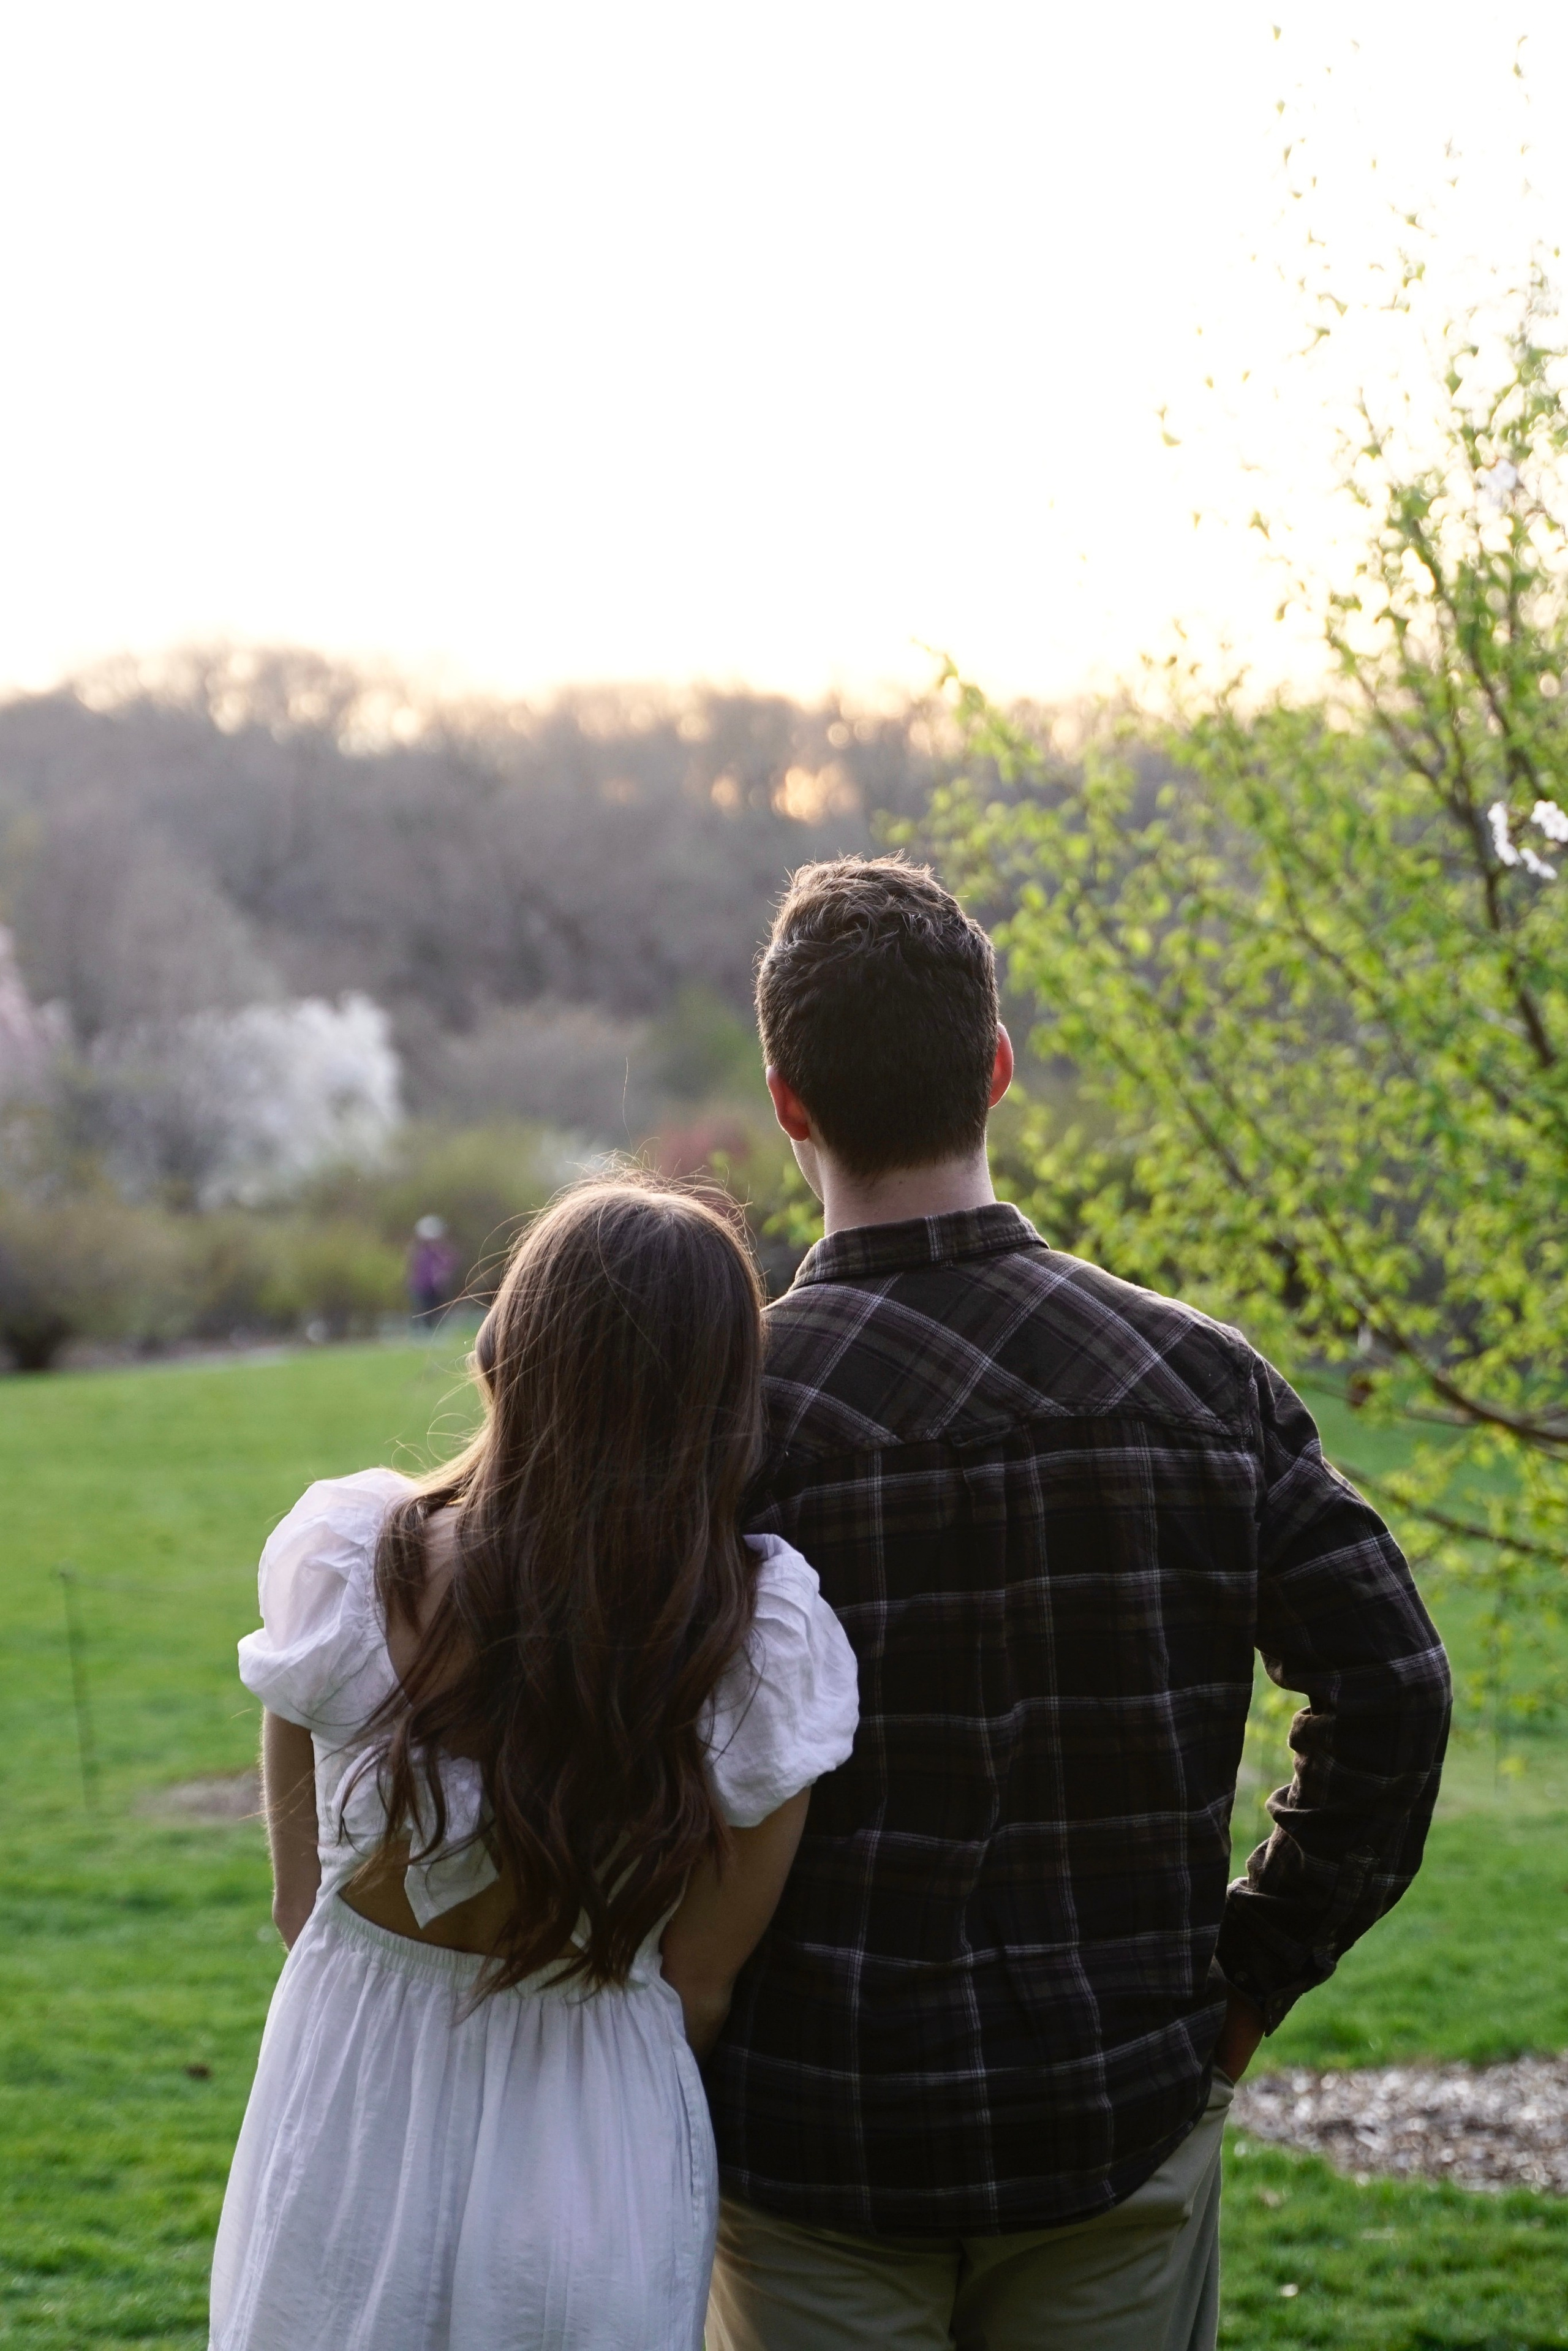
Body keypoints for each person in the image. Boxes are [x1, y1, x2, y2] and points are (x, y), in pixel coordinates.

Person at [705, 857, 1452, 2351]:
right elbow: (1392, 1687)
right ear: (995, 1066)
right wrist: (1254, 1968)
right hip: (1113, 2109)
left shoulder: (723, 1414)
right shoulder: (1195, 1378)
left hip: (809, 2138)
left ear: (787, 1102)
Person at [209, 1177, 859, 2351]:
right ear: (719, 1399)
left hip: (347, 2096)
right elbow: (702, 1979)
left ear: (504, 1347)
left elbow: (300, 1903)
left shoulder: (350, 1562)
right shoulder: (756, 1640)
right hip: (593, 2123)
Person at [407, 1212, 461, 1326]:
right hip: (422, 1287)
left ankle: (434, 1330)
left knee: (437, 1311)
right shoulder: (419, 1252)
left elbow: (451, 1263)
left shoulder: (441, 1252)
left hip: (436, 1288)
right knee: (422, 1310)